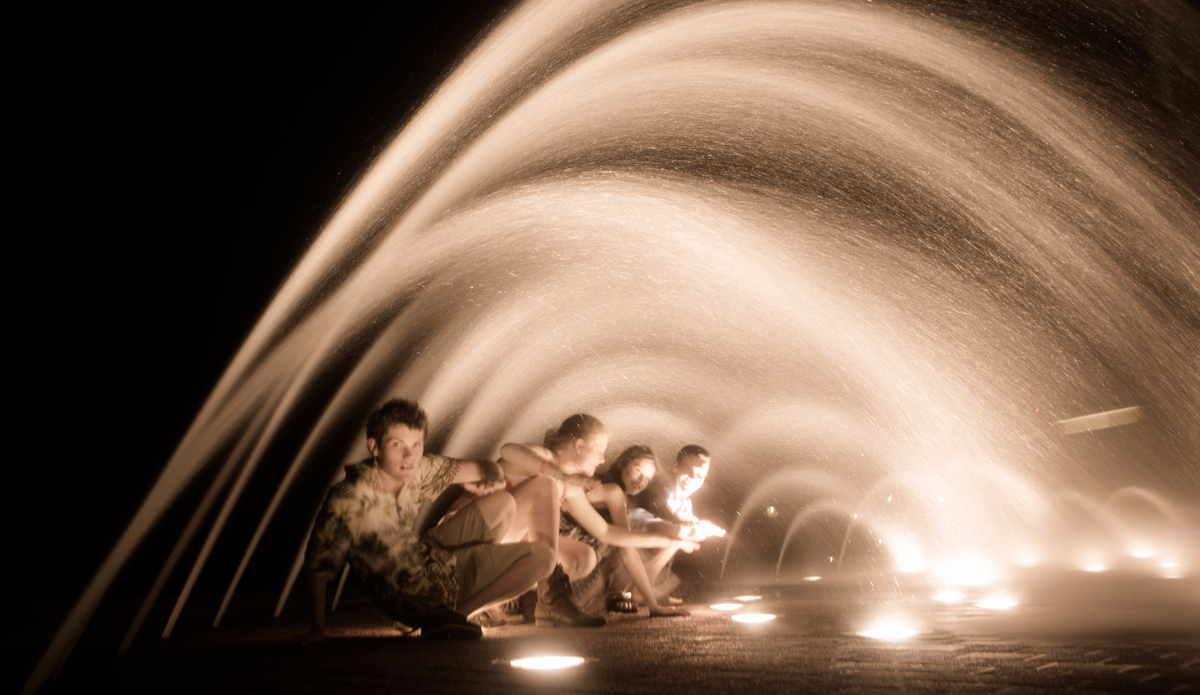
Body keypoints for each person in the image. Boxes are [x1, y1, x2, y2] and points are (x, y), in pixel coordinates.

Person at [302, 399, 560, 642]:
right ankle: (456, 614)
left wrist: (492, 476)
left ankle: (464, 603)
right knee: (545, 557)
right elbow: (318, 566)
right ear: (374, 447)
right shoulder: (346, 500)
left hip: (433, 559)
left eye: (416, 445)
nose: (409, 456)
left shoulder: (418, 468)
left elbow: (485, 467)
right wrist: (317, 630)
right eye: (397, 445)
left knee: (504, 502)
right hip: (418, 596)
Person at [498, 416, 696, 626]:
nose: (602, 459)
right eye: (600, 449)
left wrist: (665, 542)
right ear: (580, 445)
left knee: (584, 558)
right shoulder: (543, 458)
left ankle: (529, 601)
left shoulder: (572, 486)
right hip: (484, 535)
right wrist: (558, 475)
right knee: (545, 486)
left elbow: (607, 532)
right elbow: (508, 450)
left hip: (514, 541)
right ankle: (511, 600)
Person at [627, 445, 726, 595]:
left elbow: (684, 519)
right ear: (675, 466)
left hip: (647, 537)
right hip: (628, 529)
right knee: (681, 533)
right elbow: (667, 513)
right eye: (688, 470)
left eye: (700, 475)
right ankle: (640, 591)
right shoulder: (660, 486)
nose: (693, 478)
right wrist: (692, 527)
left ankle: (645, 588)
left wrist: (701, 525)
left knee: (683, 534)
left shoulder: (686, 503)